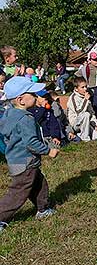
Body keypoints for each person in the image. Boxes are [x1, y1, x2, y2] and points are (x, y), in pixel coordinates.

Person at [0, 76, 59, 233]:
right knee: (18, 193)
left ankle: (43, 209)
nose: (36, 97)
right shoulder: (26, 119)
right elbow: (31, 143)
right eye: (32, 94)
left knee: (39, 184)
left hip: (15, 160)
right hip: (26, 162)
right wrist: (49, 151)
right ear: (21, 100)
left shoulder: (8, 114)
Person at [75, 52, 97, 131]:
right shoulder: (87, 68)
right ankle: (96, 126)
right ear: (90, 60)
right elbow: (77, 75)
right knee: (95, 108)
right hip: (92, 90)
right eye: (95, 60)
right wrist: (83, 84)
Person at [67, 77, 97, 142]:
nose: (85, 89)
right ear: (76, 89)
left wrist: (95, 125)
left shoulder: (86, 97)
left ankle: (83, 134)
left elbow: (92, 113)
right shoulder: (73, 98)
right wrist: (85, 100)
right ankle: (84, 137)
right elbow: (78, 112)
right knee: (86, 114)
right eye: (82, 87)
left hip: (86, 122)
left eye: (86, 86)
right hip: (76, 123)